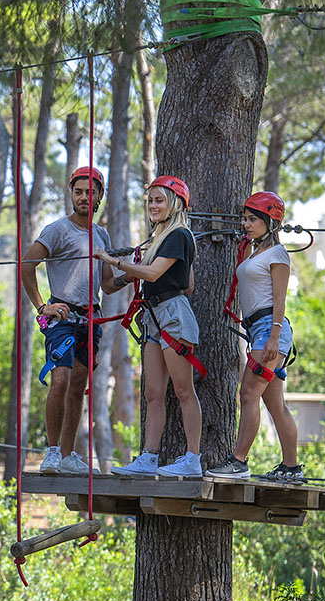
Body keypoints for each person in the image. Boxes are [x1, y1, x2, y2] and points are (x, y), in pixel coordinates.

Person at [97, 175, 204, 477]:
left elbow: (154, 274)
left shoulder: (178, 235)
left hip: (171, 316)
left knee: (184, 391)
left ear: (175, 204)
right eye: (150, 200)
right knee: (153, 393)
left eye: (159, 200)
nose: (153, 205)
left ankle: (193, 458)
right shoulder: (160, 238)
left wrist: (113, 261)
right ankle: (149, 457)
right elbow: (190, 283)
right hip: (157, 315)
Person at [21, 166, 121, 474]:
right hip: (62, 317)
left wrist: (130, 275)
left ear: (99, 197)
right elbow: (27, 264)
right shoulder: (57, 230)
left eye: (90, 192)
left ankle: (67, 455)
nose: (83, 197)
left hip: (90, 320)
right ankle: (52, 453)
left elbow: (106, 284)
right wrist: (42, 307)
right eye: (78, 191)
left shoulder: (101, 234)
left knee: (78, 386)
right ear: (71, 194)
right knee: (60, 379)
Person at [207, 192, 303, 482]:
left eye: (253, 219)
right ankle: (291, 468)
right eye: (245, 218)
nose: (246, 224)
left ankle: (238, 462)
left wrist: (273, 337)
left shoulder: (278, 255)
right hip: (258, 330)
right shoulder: (255, 252)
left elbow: (279, 299)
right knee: (275, 403)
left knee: (248, 394)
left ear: (270, 222)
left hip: (268, 330)